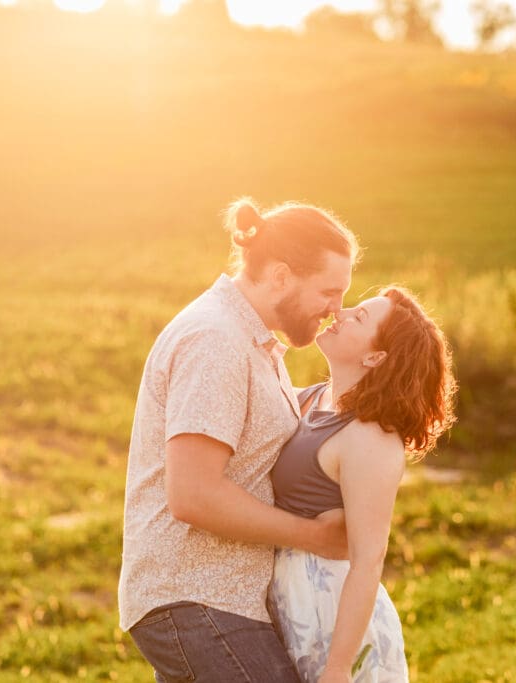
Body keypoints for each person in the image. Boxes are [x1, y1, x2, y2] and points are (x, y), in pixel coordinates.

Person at [119, 197, 361, 683]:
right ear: (280, 276)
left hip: (217, 600)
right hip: (197, 596)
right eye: (329, 292)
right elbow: (193, 495)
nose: (336, 311)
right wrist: (314, 536)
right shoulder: (216, 340)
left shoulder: (253, 343)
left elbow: (259, 422)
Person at [268, 286, 457, 683]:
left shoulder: (370, 439)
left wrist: (338, 670)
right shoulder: (313, 400)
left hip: (332, 624)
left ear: (375, 357)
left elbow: (368, 560)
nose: (341, 312)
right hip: (292, 606)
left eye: (360, 317)